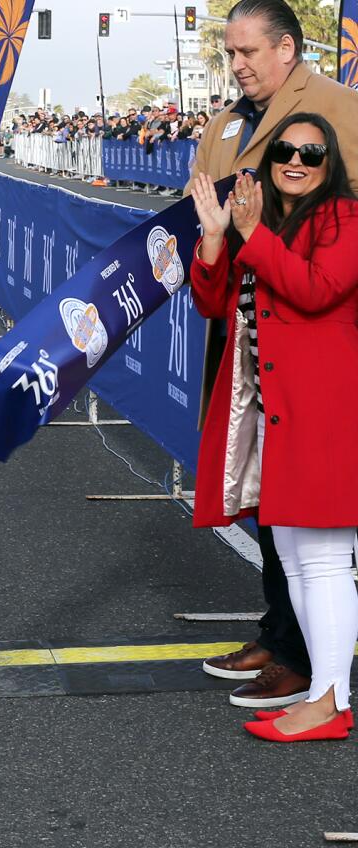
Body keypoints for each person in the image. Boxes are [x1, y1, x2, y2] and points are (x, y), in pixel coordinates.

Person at [187, 0, 358, 710]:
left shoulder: (338, 110)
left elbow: (327, 269)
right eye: (229, 54)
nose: (237, 64)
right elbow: (208, 223)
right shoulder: (228, 121)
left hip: (317, 345)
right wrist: (215, 240)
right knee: (271, 511)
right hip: (250, 339)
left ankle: (308, 664)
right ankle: (282, 634)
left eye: (248, 52)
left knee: (318, 536)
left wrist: (256, 239)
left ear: (287, 49)